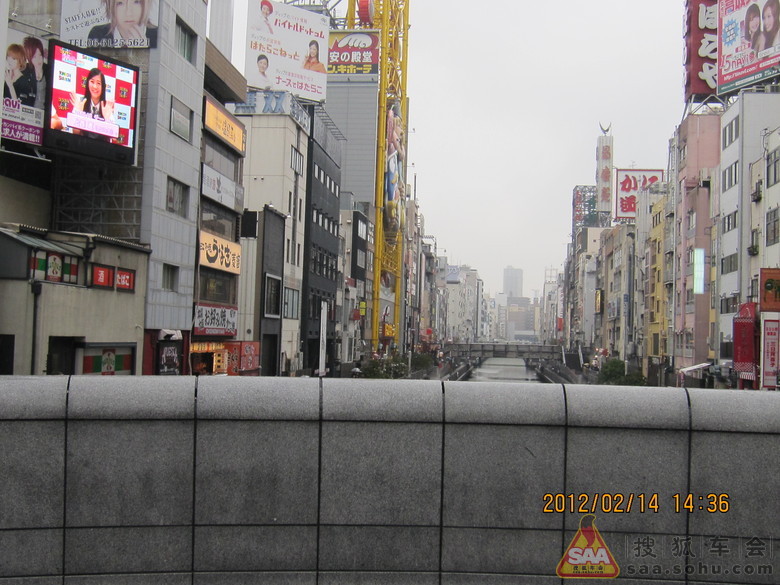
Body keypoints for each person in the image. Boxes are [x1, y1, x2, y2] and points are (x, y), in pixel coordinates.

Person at [56, 68, 116, 141]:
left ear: (103, 86)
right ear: (87, 83)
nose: (95, 86)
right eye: (92, 82)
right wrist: (79, 113)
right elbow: (75, 133)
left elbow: (113, 139)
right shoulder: (81, 102)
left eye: (98, 83)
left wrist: (107, 120)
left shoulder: (106, 106)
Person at [88, 0, 158, 48]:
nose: (128, 13)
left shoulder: (159, 37)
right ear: (110, 6)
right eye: (120, 3)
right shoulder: (98, 34)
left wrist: (141, 54)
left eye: (136, 2)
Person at [23, 37, 46, 110]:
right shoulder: (25, 71)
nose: (38, 60)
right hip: (29, 115)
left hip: (46, 116)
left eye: (40, 55)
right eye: (34, 56)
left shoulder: (48, 69)